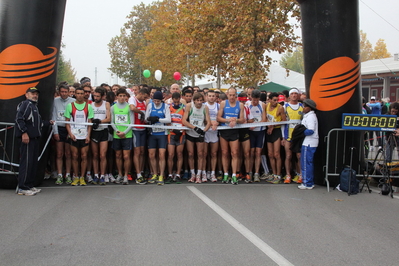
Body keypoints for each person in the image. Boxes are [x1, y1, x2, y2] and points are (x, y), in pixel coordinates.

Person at [15, 87, 50, 195]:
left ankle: (29, 185)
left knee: (32, 163)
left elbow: (38, 124)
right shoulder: (26, 104)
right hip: (27, 139)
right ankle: (22, 187)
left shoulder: (34, 107)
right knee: (26, 163)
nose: (35, 95)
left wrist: (49, 123)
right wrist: (24, 133)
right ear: (27, 95)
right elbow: (19, 119)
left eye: (36, 94)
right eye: (32, 93)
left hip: (35, 139)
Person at [64, 87, 94, 186]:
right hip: (74, 135)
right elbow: (67, 122)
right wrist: (70, 134)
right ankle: (76, 177)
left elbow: (90, 123)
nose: (80, 95)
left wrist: (88, 136)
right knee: (75, 156)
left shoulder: (88, 106)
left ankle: (82, 177)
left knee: (84, 156)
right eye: (78, 93)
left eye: (82, 93)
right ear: (75, 94)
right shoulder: (70, 106)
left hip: (84, 135)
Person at [217, 87, 245, 184]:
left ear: (236, 95)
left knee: (234, 153)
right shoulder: (223, 104)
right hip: (224, 131)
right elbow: (218, 118)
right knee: (224, 153)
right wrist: (228, 120)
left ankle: (234, 174)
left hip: (234, 131)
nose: (232, 97)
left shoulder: (240, 105)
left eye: (233, 95)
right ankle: (225, 174)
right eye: (230, 95)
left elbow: (242, 119)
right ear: (227, 95)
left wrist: (235, 120)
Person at [183, 92, 211, 183]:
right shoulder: (189, 106)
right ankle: (193, 174)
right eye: (197, 100)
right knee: (190, 154)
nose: (199, 102)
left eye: (201, 100)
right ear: (194, 100)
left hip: (200, 134)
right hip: (191, 133)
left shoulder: (205, 107)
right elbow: (184, 120)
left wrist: (204, 131)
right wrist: (194, 128)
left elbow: (209, 122)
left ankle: (199, 175)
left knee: (200, 154)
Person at [146, 91, 171, 185]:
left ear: (161, 100)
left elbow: (168, 119)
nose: (156, 102)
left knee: (161, 155)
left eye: (158, 101)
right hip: (152, 133)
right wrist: (149, 119)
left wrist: (158, 119)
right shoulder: (150, 106)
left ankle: (161, 175)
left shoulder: (165, 106)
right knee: (152, 155)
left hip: (162, 134)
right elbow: (146, 118)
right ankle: (155, 174)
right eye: (155, 100)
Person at [52, 83, 75, 185]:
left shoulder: (73, 102)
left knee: (68, 153)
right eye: (62, 92)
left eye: (66, 92)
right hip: (59, 128)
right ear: (59, 92)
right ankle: (60, 174)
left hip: (69, 129)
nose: (64, 94)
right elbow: (53, 117)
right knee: (59, 153)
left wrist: (72, 131)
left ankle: (68, 174)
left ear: (68, 92)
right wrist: (55, 131)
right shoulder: (55, 101)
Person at [111, 88, 134, 185]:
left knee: (126, 156)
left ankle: (125, 175)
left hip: (127, 135)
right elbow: (112, 122)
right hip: (117, 135)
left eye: (124, 96)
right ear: (117, 97)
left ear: (126, 97)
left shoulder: (129, 107)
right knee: (118, 155)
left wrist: (124, 132)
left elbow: (132, 122)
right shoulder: (113, 107)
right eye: (120, 96)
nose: (122, 98)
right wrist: (117, 131)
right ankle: (119, 174)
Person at [282, 88, 303, 184]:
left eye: (296, 94)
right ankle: (288, 175)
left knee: (299, 156)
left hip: (298, 136)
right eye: (292, 94)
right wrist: (283, 137)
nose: (294, 95)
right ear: (289, 96)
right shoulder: (285, 106)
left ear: (298, 95)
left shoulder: (302, 106)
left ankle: (300, 174)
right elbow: (283, 123)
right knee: (288, 155)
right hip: (288, 135)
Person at [129, 88, 149, 184]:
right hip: (135, 129)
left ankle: (140, 171)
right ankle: (138, 174)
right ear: (140, 94)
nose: (144, 99)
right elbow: (132, 108)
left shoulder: (144, 103)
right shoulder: (133, 99)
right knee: (137, 152)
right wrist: (141, 113)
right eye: (144, 97)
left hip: (143, 129)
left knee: (141, 152)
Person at [91, 87, 111, 185]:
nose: (96, 98)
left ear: (102, 96)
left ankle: (102, 175)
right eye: (94, 96)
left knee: (102, 155)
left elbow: (108, 119)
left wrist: (99, 121)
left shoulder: (106, 104)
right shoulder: (91, 105)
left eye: (98, 96)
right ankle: (95, 175)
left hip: (103, 130)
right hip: (94, 131)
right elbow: (89, 119)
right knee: (95, 155)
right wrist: (92, 122)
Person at [265, 92, 287, 184]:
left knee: (276, 154)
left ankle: (278, 174)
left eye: (277, 100)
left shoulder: (280, 108)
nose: (276, 102)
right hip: (268, 131)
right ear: (269, 99)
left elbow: (284, 121)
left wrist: (273, 125)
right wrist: (268, 125)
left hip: (277, 131)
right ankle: (274, 173)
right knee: (270, 154)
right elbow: (265, 118)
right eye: (274, 100)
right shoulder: (266, 106)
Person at [298, 99, 318, 189]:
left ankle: (307, 183)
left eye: (305, 106)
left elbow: (310, 130)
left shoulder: (310, 117)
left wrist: (301, 132)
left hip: (309, 142)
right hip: (308, 142)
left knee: (306, 163)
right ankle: (308, 182)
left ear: (309, 108)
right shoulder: (309, 116)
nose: (303, 107)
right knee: (307, 163)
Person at [247, 89, 267, 182]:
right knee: (251, 152)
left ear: (259, 98)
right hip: (250, 132)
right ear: (251, 97)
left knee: (258, 152)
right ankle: (250, 172)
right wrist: (249, 124)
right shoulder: (247, 105)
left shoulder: (262, 105)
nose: (254, 102)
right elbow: (245, 118)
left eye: (256, 100)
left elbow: (264, 119)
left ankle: (256, 173)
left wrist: (256, 124)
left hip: (260, 131)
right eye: (253, 100)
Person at [166, 92, 186, 184]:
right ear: (172, 99)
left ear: (180, 99)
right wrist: (173, 129)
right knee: (170, 155)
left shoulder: (184, 108)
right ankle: (170, 174)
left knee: (179, 154)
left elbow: (185, 120)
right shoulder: (168, 107)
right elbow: (167, 121)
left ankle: (178, 174)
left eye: (178, 101)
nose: (177, 103)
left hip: (181, 134)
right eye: (175, 101)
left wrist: (180, 131)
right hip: (171, 133)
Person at [203, 90, 219, 182]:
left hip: (214, 133)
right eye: (210, 96)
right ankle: (205, 173)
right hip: (206, 132)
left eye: (213, 96)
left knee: (213, 154)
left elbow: (220, 118)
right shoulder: (204, 106)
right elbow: (202, 119)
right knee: (204, 154)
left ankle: (212, 173)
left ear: (215, 97)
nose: (211, 97)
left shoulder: (218, 106)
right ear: (206, 97)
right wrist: (209, 123)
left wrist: (217, 122)